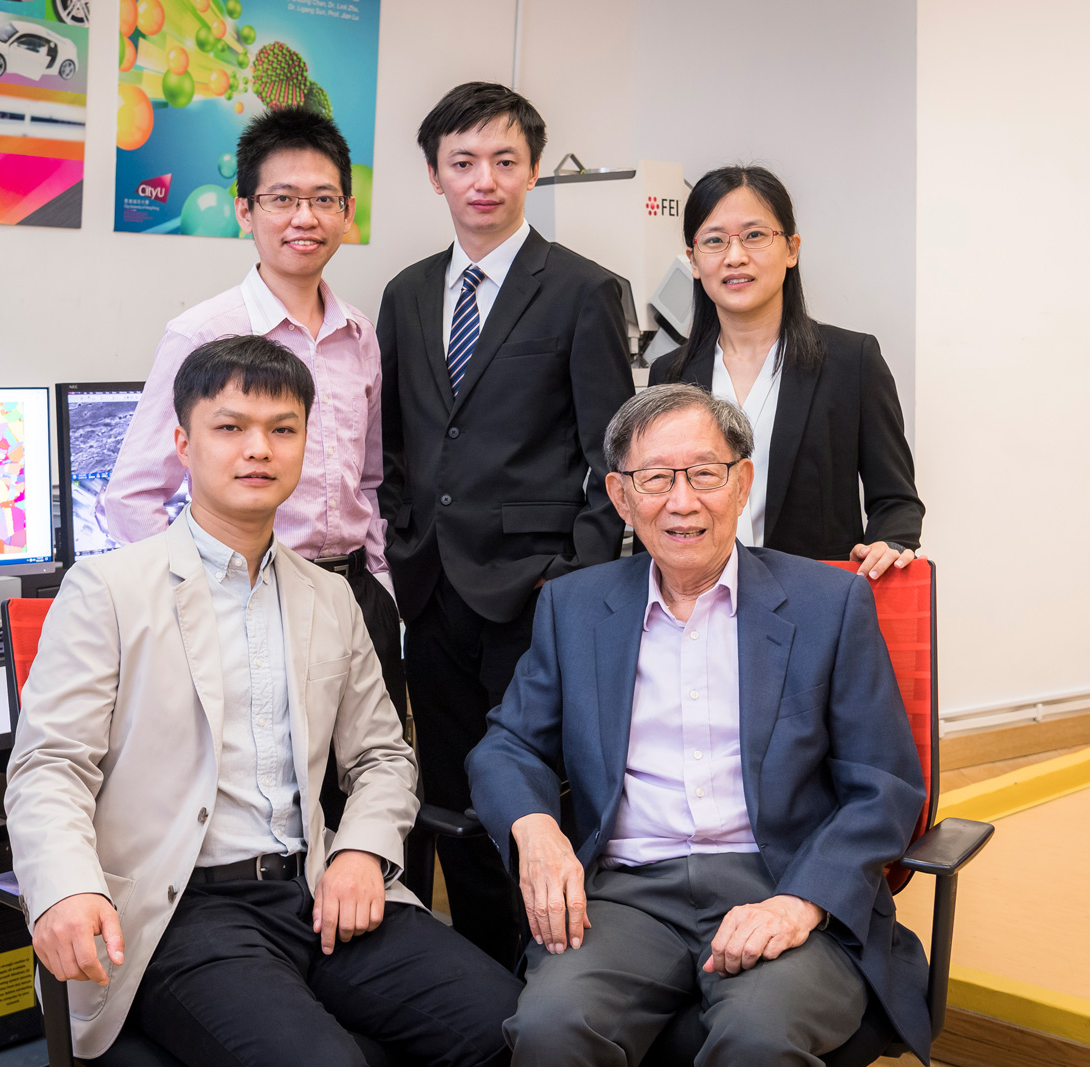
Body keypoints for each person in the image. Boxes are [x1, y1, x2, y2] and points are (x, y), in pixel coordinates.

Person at [7, 336, 521, 1067]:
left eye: (283, 429)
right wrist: (63, 889)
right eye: (231, 427)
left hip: (314, 888)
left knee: (511, 1027)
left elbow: (382, 756)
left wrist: (363, 852)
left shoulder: (329, 596)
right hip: (180, 914)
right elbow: (49, 768)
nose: (260, 448)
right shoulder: (108, 590)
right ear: (182, 442)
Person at [466, 384, 931, 1065]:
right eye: (655, 478)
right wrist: (534, 829)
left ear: (741, 483)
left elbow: (885, 785)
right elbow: (507, 745)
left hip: (780, 884)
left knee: (758, 1036)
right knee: (553, 1027)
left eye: (705, 474)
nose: (682, 501)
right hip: (627, 897)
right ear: (622, 497)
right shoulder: (575, 607)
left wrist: (801, 901)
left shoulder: (829, 603)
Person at [377, 81, 635, 966]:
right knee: (448, 792)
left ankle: (558, 976)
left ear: (530, 170)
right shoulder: (408, 293)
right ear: (434, 175)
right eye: (463, 163)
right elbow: (404, 444)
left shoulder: (583, 291)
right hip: (432, 587)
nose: (483, 179)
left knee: (536, 796)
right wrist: (405, 538)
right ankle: (480, 974)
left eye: (503, 161)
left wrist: (572, 577)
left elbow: (616, 458)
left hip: (537, 593)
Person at [103, 108, 403, 736]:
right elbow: (133, 492)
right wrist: (193, 607)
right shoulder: (202, 333)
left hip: (356, 598)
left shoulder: (360, 336)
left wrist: (384, 591)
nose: (305, 217)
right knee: (269, 805)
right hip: (246, 599)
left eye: (324, 199)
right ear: (245, 211)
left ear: (347, 212)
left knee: (375, 789)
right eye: (282, 199)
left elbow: (371, 483)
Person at [648, 165, 924, 580]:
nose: (735, 256)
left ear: (791, 249)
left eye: (755, 236)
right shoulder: (669, 374)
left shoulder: (852, 361)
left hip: (814, 604)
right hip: (698, 602)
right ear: (693, 260)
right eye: (714, 240)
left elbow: (897, 501)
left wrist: (892, 544)